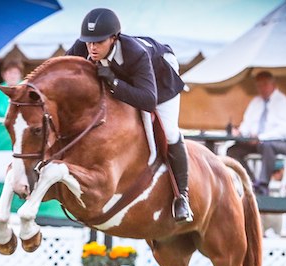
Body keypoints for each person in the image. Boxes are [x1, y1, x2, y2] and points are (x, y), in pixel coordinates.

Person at [65, 8, 193, 223]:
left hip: (160, 79)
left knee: (170, 132)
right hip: (132, 80)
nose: (92, 48)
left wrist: (113, 82)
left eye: (98, 42)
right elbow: (63, 71)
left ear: (114, 39)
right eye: (89, 42)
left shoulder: (136, 54)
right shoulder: (82, 46)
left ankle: (182, 196)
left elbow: (148, 100)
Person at [227, 71, 286, 195]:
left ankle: (264, 185)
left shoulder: (284, 102)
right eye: (259, 85)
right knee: (232, 151)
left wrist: (261, 137)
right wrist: (239, 132)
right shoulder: (255, 102)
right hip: (256, 142)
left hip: (279, 142)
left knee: (267, 145)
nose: (262, 88)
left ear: (273, 84)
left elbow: (283, 130)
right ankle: (252, 182)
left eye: (265, 84)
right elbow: (247, 124)